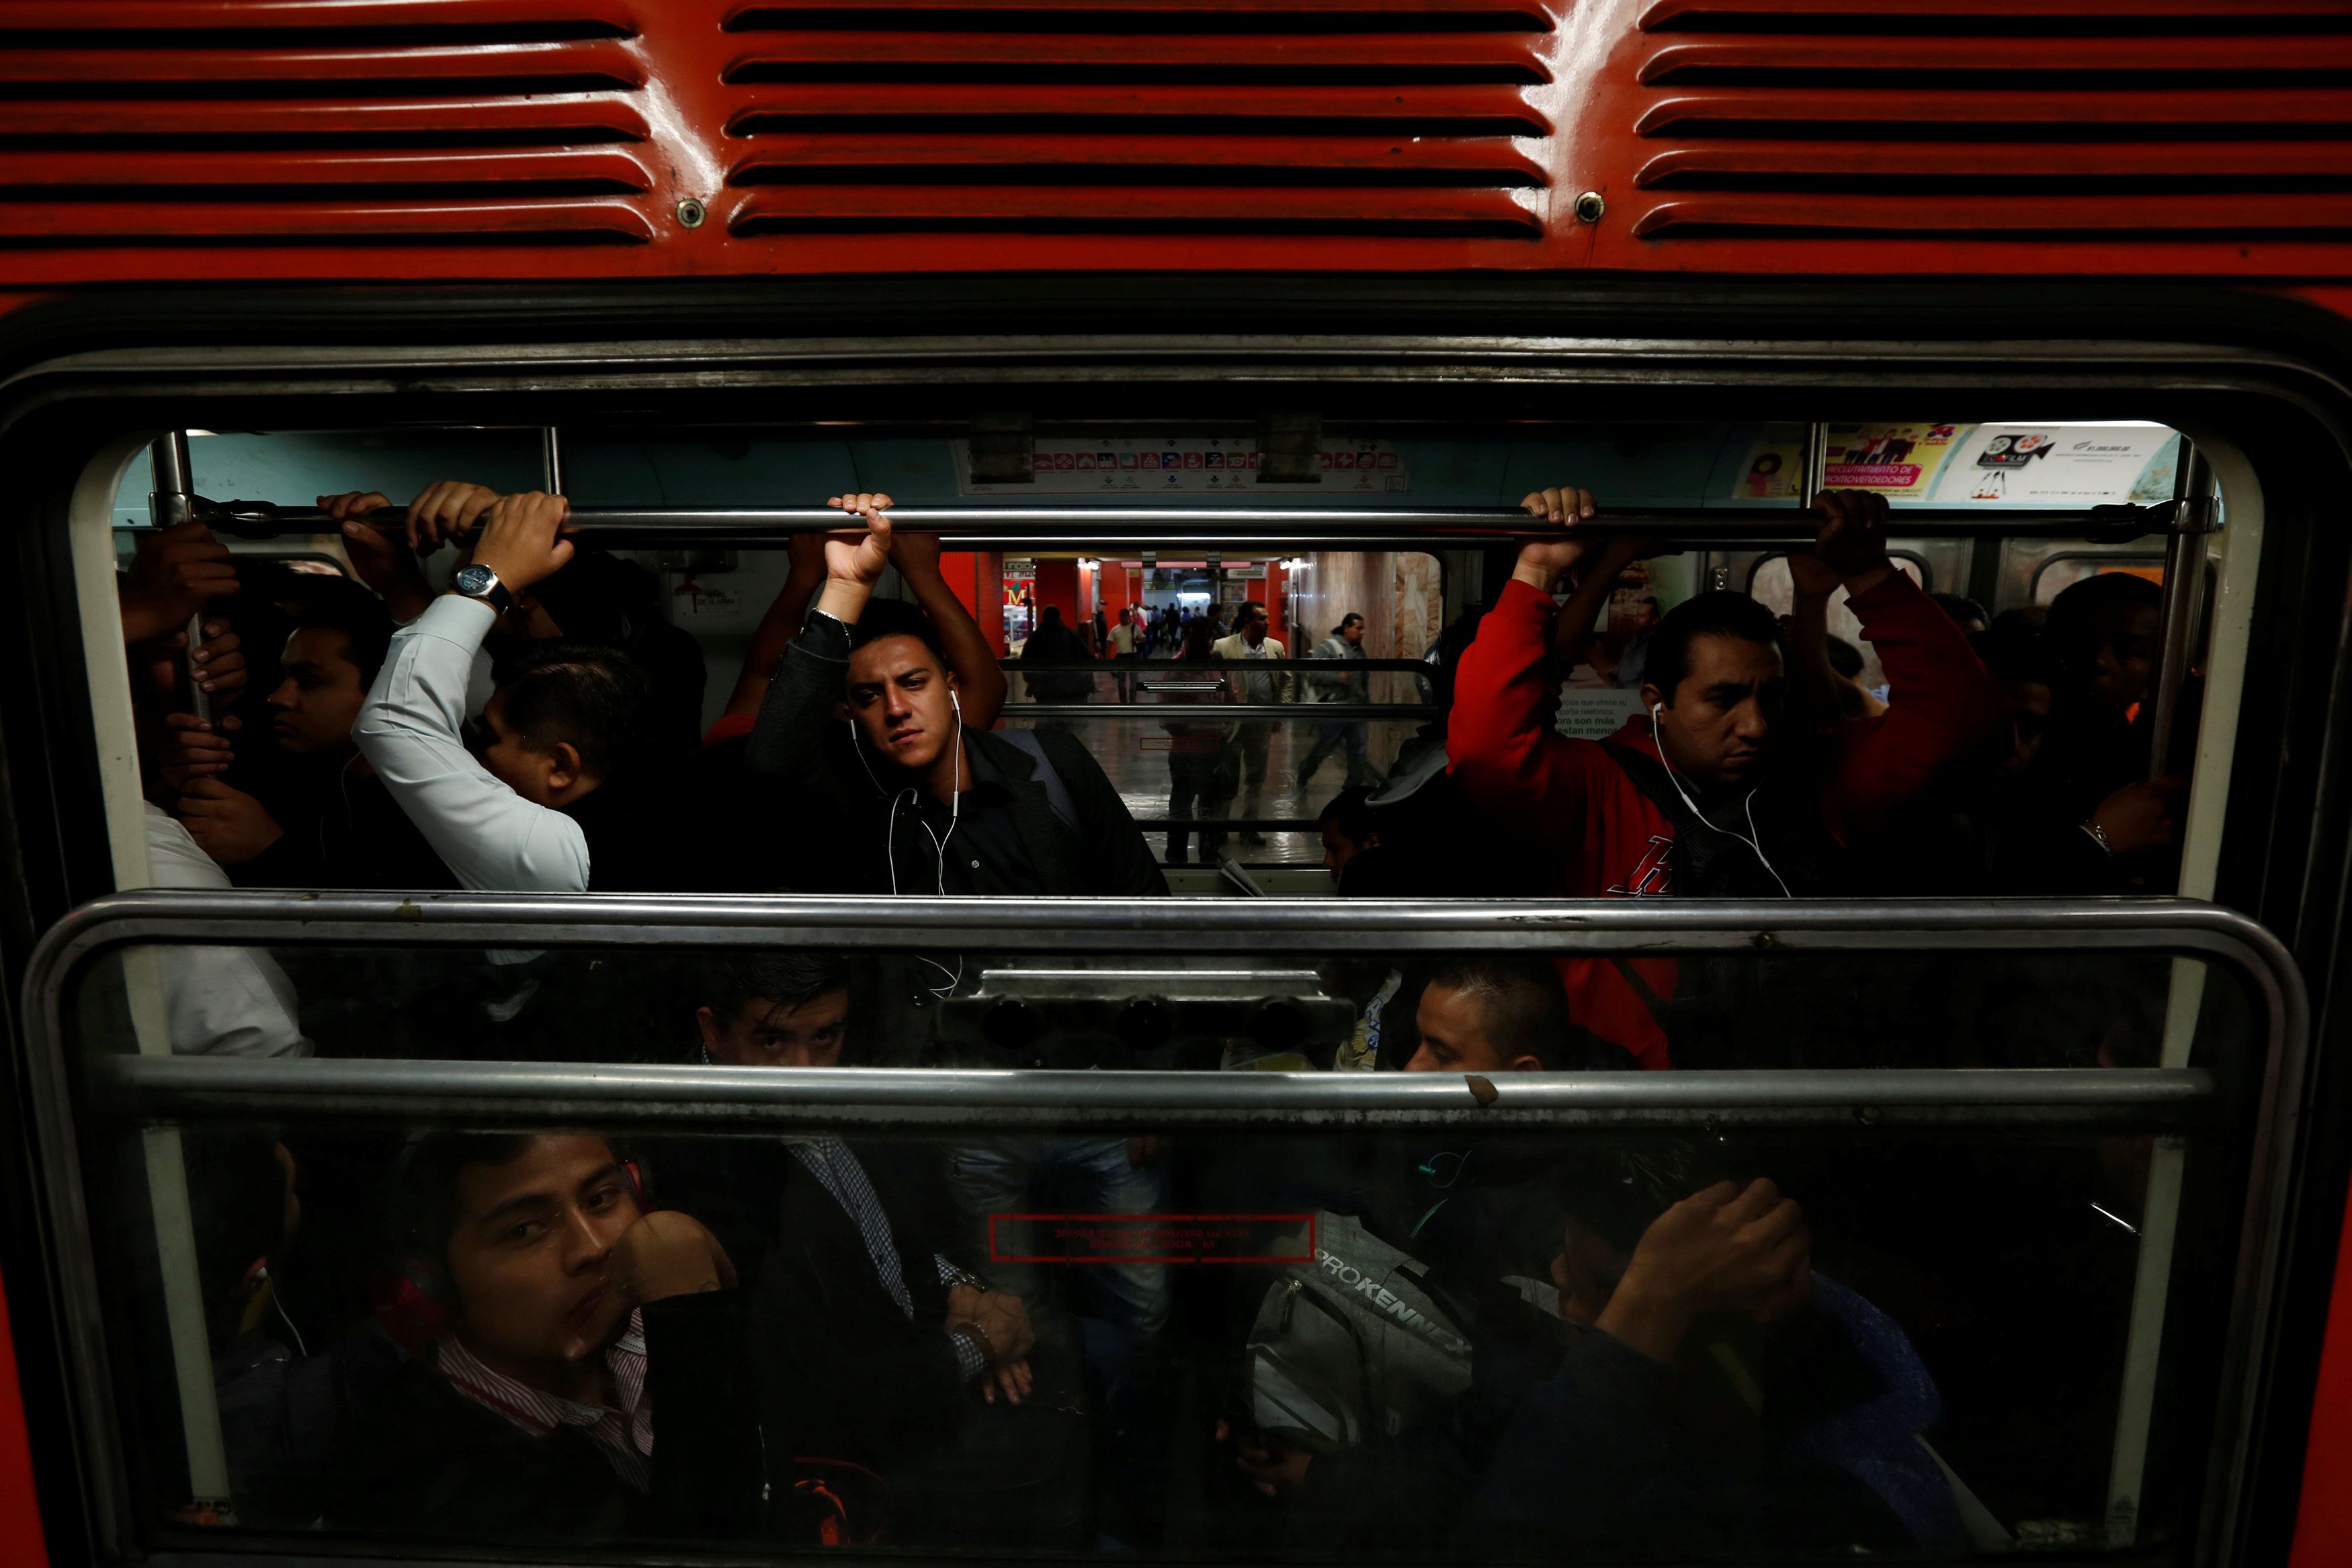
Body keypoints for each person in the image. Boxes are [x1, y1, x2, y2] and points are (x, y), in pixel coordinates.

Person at [1447, 484, 2005, 1070]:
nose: (1756, 727)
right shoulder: (1602, 787)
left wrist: (1867, 575)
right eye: (1724, 700)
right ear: (1659, 701)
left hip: (1798, 1088)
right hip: (1633, 1100)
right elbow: (1487, 747)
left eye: (1771, 698)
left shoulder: (1820, 777)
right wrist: (1534, 572)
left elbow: (1961, 724)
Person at [1230, 1156, 1960, 1556]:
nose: (1558, 1283)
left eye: (1602, 1287)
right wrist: (1328, 1480)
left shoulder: (1832, 1498)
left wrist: (1639, 1315)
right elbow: (1468, 1454)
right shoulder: (1573, 1358)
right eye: (1566, 1264)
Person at [323, 1132, 778, 1541]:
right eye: (524, 1230)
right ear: (431, 1284)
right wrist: (690, 1319)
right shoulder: (423, 1482)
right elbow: (720, 1542)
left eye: (600, 1200)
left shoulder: (648, 1315)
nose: (593, 1247)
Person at [745, 494, 1164, 899]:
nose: (896, 709)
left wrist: (924, 573)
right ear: (847, 712)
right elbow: (773, 759)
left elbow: (1143, 895)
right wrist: (846, 585)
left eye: (913, 683)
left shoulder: (1049, 765)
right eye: (870, 695)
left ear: (951, 687)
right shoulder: (854, 798)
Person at [352, 492, 663, 893]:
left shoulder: (550, 854)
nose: (473, 751)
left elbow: (397, 720)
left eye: (490, 738)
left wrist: (490, 575)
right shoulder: (642, 787)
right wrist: (399, 586)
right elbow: (471, 691)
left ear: (560, 766)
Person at [160, 578, 458, 891]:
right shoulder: (304, 774)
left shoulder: (424, 808)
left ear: (383, 692)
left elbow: (404, 920)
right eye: (285, 678)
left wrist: (270, 850)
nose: (278, 698)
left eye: (311, 682)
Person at [1989, 570, 2184, 893]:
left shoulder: (2146, 761)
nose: (2099, 660)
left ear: (2157, 673)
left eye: (2128, 650)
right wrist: (2101, 839)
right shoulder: (2002, 743)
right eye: (2081, 641)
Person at [1403, 959, 1633, 1076]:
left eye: (1442, 1056)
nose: (1411, 1068)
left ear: (1522, 1076)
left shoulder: (1579, 1165)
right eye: (1418, 1041)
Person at [1212, 599, 1292, 846]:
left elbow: (1286, 680)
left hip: (1262, 723)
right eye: (1262, 618)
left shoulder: (1275, 647)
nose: (1268, 622)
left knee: (1256, 777)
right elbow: (1215, 682)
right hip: (1233, 723)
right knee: (1229, 776)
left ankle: (1249, 828)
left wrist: (1281, 710)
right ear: (1247, 622)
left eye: (1267, 618)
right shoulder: (1223, 647)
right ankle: (1220, 829)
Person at [1161, 614, 1236, 864]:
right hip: (1185, 749)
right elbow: (1165, 713)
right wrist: (1189, 734)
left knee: (1210, 806)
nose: (1201, 647)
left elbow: (1231, 701)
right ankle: (1176, 855)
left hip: (1215, 746)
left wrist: (1225, 731)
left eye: (1205, 641)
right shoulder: (1175, 668)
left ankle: (1209, 853)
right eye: (1196, 641)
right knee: (1181, 805)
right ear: (1186, 637)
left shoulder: (1218, 666)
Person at [1298, 612, 1379, 789]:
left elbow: (1364, 680)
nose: (1362, 632)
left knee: (1358, 751)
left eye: (1363, 628)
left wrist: (1367, 704)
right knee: (1323, 749)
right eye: (1358, 628)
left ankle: (1353, 787)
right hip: (1334, 711)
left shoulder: (1360, 652)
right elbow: (1312, 673)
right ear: (1347, 628)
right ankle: (1304, 773)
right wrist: (1337, 677)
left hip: (1356, 711)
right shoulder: (1328, 648)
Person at [1019, 604, 1095, 705]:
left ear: (1043, 618)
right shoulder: (1071, 634)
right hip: (1071, 689)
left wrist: (1035, 683)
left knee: (1046, 719)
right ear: (1059, 617)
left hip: (1045, 692)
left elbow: (1025, 662)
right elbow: (1088, 658)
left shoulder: (1036, 637)